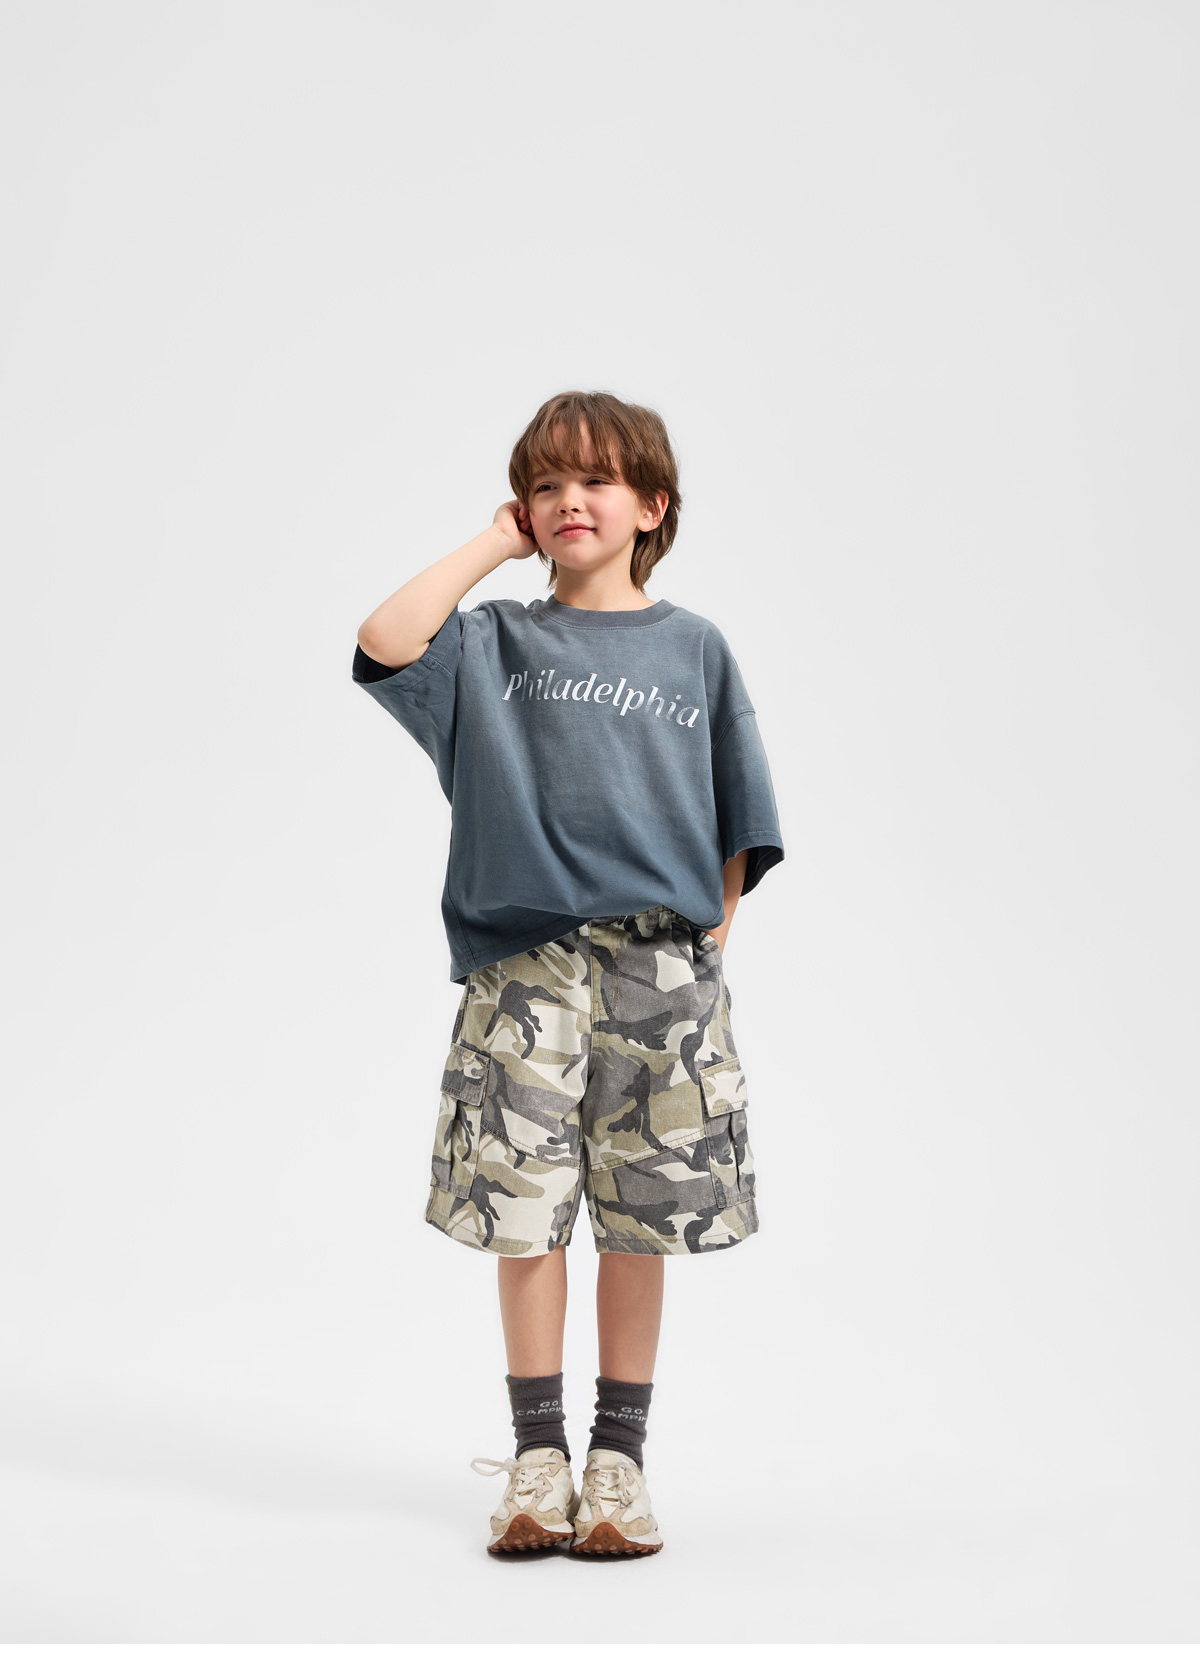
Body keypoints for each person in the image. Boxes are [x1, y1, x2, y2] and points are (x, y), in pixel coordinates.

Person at [351, 389, 785, 1557]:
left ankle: (618, 1464)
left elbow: (738, 814)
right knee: (526, 1212)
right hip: (524, 969)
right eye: (545, 484)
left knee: (643, 1218)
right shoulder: (490, 644)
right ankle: (537, 1460)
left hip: (660, 971)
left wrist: (709, 943)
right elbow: (384, 640)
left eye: (595, 480)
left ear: (653, 506)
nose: (567, 500)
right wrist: (493, 543)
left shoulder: (695, 648)